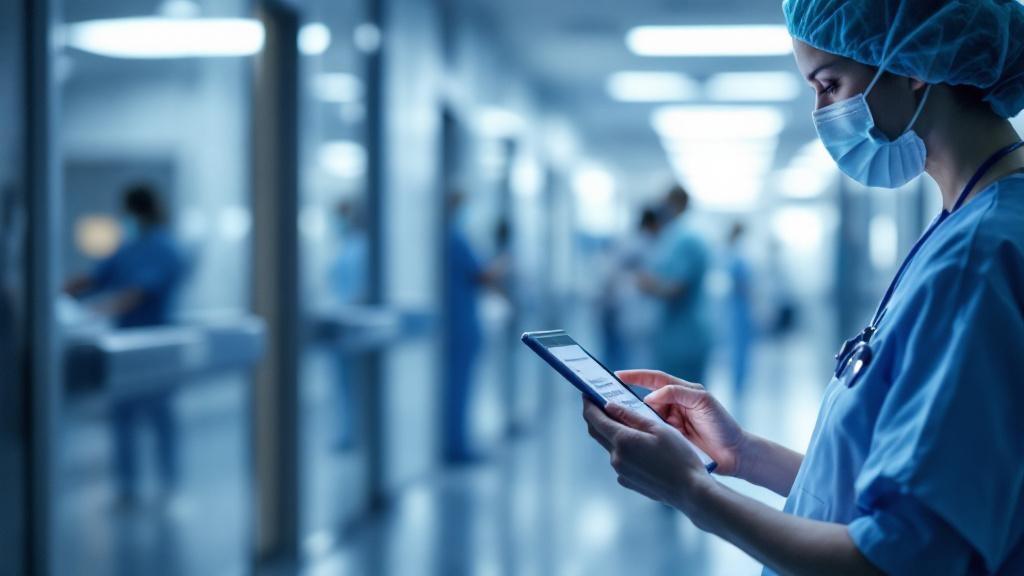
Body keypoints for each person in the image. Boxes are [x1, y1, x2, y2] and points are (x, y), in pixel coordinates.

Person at [581, 1, 1024, 574]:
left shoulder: (977, 256)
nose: (821, 112)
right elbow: (902, 488)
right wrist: (743, 455)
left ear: (915, 66)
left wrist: (694, 492)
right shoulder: (968, 223)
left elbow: (903, 557)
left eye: (829, 83)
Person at [66, 183, 186, 504]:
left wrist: (94, 310)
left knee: (160, 418)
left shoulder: (165, 248)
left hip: (156, 344)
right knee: (123, 418)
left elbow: (137, 293)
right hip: (125, 348)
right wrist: (55, 291)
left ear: (136, 211)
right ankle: (128, 487)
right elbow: (95, 277)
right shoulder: (128, 247)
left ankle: (168, 484)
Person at [443, 190, 505, 462]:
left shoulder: (449, 236)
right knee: (458, 388)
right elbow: (481, 275)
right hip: (459, 326)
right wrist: (504, 262)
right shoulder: (454, 237)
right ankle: (456, 446)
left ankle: (456, 443)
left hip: (459, 322)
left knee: (458, 387)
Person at [638, 186, 712, 384]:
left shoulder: (683, 238)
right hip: (681, 333)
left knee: (679, 401)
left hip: (683, 337)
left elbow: (677, 288)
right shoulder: (680, 235)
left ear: (672, 203)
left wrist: (648, 284)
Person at [328, 200, 369, 451]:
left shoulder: (361, 249)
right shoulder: (345, 248)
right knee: (344, 386)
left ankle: (354, 432)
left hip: (354, 324)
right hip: (342, 324)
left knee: (355, 384)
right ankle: (348, 432)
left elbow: (359, 291)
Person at [724, 221, 754, 399]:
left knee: (739, 347)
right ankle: (738, 385)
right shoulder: (737, 256)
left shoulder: (733, 255)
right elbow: (742, 285)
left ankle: (739, 384)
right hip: (739, 308)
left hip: (738, 307)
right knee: (739, 348)